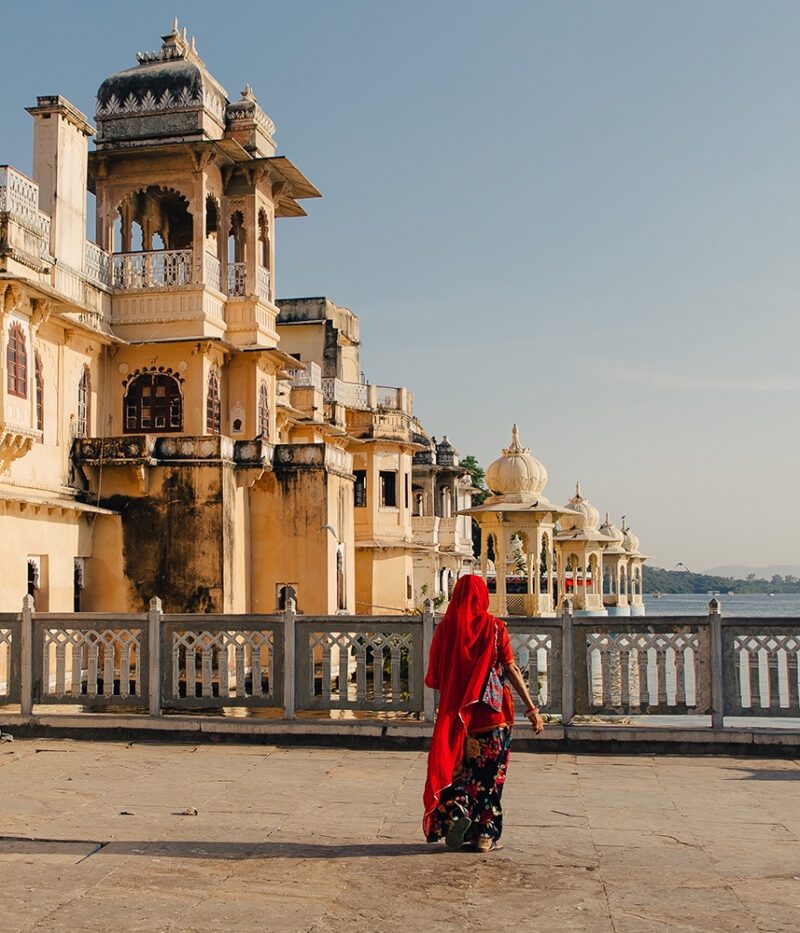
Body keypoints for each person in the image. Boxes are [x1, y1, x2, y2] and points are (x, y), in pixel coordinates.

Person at [423, 574, 544, 852]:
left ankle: (457, 816)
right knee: (490, 778)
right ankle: (484, 836)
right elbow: (512, 669)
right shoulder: (494, 627)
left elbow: (436, 676)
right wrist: (532, 708)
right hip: (493, 716)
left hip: (460, 719)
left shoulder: (446, 629)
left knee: (464, 773)